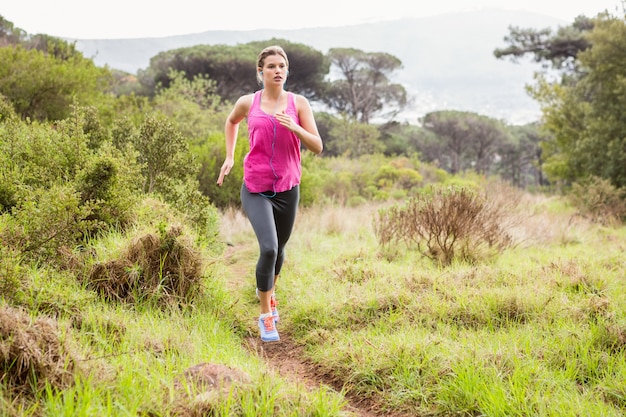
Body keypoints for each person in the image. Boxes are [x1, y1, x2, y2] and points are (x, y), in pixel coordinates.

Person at [216, 45, 323, 342]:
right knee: (269, 248)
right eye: (272, 66)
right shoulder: (248, 103)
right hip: (256, 187)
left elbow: (317, 146)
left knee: (281, 250)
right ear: (260, 71)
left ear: (287, 71)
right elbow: (231, 121)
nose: (278, 70)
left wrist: (296, 129)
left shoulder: (298, 104)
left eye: (282, 66)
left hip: (288, 188)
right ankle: (266, 315)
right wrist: (230, 157)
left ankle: (268, 292)